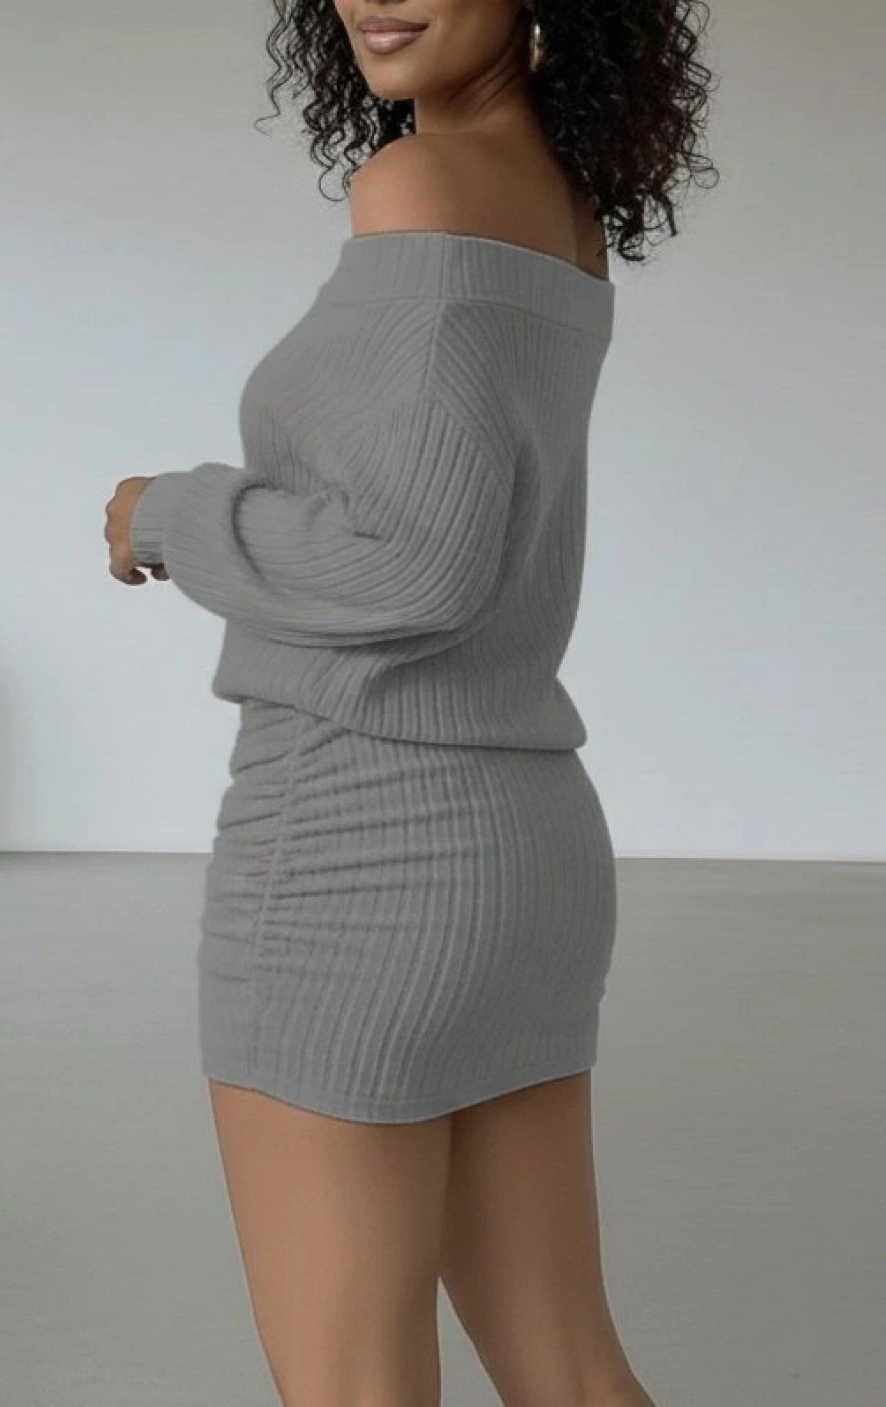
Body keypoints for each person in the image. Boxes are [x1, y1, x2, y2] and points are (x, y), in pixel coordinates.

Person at [103, 3, 718, 1404]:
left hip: (355, 839)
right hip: (524, 850)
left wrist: (166, 513)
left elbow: (414, 564)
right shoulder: (558, 202)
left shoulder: (420, 180)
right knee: (571, 1366)